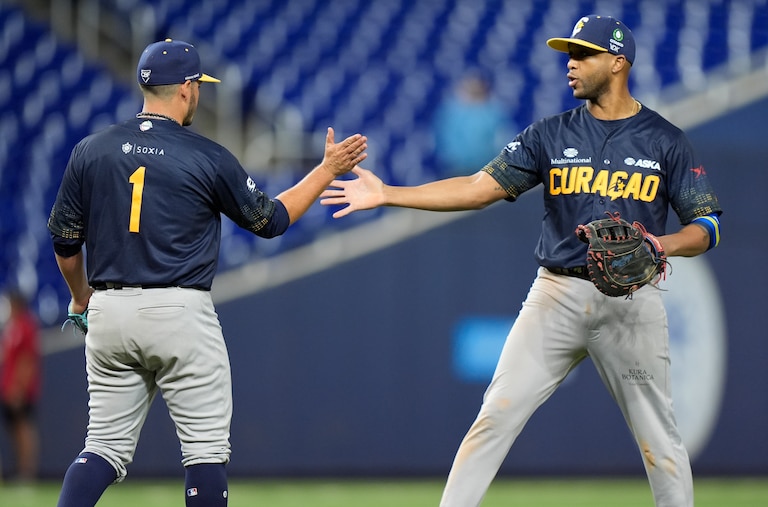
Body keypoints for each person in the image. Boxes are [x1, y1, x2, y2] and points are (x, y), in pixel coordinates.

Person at [321, 14, 722, 507]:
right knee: (496, 414)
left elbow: (706, 227)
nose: (570, 65)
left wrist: (662, 245)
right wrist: (388, 193)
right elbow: (476, 188)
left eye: (583, 55)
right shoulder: (549, 135)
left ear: (618, 63)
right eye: (568, 55)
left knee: (659, 440)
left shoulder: (665, 140)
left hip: (630, 303)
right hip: (556, 297)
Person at [47, 38, 366, 507]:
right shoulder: (206, 156)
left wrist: (81, 298)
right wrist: (325, 170)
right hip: (179, 311)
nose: (199, 94)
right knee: (205, 453)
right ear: (187, 89)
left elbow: (65, 245)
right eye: (198, 86)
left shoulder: (91, 150)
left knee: (102, 448)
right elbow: (270, 221)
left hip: (109, 308)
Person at [433, 72, 514, 176]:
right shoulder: (451, 111)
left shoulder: (494, 111)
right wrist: (451, 158)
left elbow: (502, 138)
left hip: (487, 169)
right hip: (456, 168)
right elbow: (442, 137)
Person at [0, 288, 41, 481]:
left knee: (23, 428)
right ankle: (21, 469)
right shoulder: (11, 327)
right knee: (14, 428)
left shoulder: (26, 326)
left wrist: (19, 387)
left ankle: (27, 472)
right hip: (7, 387)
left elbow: (27, 360)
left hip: (19, 389)